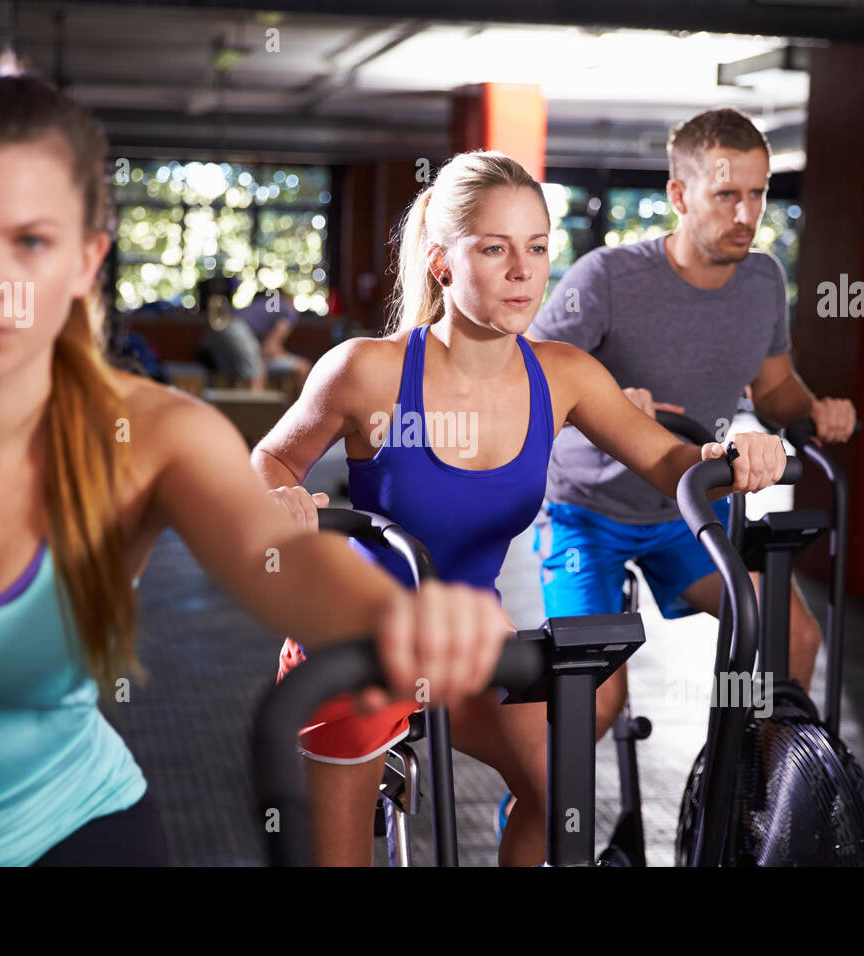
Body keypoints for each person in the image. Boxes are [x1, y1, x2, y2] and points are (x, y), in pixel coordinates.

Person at [0, 51, 514, 866]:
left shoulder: (152, 434)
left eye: (30, 241)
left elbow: (278, 560)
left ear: (87, 257)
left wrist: (396, 620)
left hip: (69, 833)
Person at [253, 149, 789, 867]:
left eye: (537, 247)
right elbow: (269, 461)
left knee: (559, 785)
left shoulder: (562, 376)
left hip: (476, 639)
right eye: (495, 249)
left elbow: (669, 462)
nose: (523, 270)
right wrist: (279, 501)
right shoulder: (366, 371)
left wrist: (738, 458)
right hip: (358, 637)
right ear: (443, 263)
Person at [527, 107, 858, 761]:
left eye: (758, 194)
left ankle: (750, 815)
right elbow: (530, 383)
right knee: (593, 700)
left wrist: (814, 411)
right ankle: (537, 834)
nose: (746, 215)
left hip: (690, 507)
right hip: (584, 514)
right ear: (679, 195)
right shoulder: (607, 278)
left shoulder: (763, 280)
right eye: (727, 194)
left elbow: (773, 392)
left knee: (791, 639)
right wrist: (600, 402)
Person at [234, 289, 312, 394]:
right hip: (238, 331)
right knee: (303, 367)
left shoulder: (261, 306)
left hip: (218, 328)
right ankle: (253, 409)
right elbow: (270, 347)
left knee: (243, 374)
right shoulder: (287, 309)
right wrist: (291, 358)